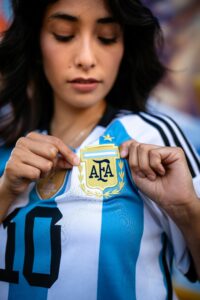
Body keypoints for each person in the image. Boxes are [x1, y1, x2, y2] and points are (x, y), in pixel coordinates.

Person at [0, 0, 199, 299]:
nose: (86, 58)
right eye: (64, 34)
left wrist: (185, 209)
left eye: (107, 37)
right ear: (36, 41)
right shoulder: (7, 144)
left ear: (125, 47)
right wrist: (5, 191)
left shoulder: (154, 140)